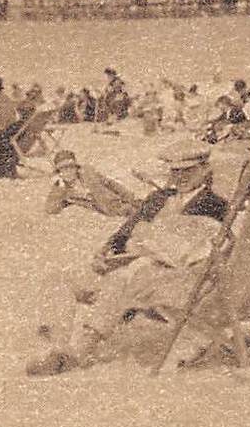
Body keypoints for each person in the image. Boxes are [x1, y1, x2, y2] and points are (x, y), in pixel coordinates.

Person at [26, 140, 231, 377]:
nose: (181, 177)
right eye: (176, 171)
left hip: (163, 282)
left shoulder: (215, 205)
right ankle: (55, 349)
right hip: (127, 268)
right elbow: (126, 230)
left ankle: (79, 351)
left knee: (121, 279)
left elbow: (204, 253)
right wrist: (107, 250)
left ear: (205, 170)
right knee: (59, 280)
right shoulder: (159, 197)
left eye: (188, 170)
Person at [44, 149, 140, 218]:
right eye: (64, 169)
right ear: (59, 173)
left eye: (71, 168)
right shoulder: (61, 189)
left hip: (117, 202)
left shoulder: (88, 174)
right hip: (106, 213)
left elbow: (109, 183)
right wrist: (61, 186)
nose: (68, 172)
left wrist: (127, 194)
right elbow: (50, 209)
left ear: (76, 168)